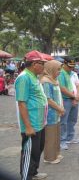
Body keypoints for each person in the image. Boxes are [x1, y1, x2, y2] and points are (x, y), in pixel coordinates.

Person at [15, 50, 48, 180]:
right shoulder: (24, 77)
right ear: (34, 64)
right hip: (31, 124)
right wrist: (28, 126)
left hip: (39, 122)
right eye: (42, 64)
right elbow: (22, 103)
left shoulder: (33, 76)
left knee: (37, 150)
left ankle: (33, 172)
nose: (43, 67)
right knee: (29, 152)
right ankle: (26, 176)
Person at [40, 60, 65, 164]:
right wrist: (59, 108)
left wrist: (61, 108)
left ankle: (56, 153)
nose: (59, 71)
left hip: (57, 113)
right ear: (51, 69)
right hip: (50, 114)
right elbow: (48, 99)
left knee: (56, 134)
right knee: (50, 136)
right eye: (58, 69)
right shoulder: (46, 81)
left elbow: (58, 96)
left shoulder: (55, 80)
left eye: (60, 69)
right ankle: (49, 157)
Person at [58, 57, 79, 150]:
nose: (71, 68)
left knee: (73, 119)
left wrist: (77, 97)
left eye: (73, 66)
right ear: (64, 64)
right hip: (65, 99)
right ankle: (62, 140)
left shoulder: (73, 73)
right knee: (63, 121)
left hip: (74, 99)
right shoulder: (61, 73)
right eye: (69, 66)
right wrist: (74, 97)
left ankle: (70, 137)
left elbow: (78, 85)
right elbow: (62, 88)